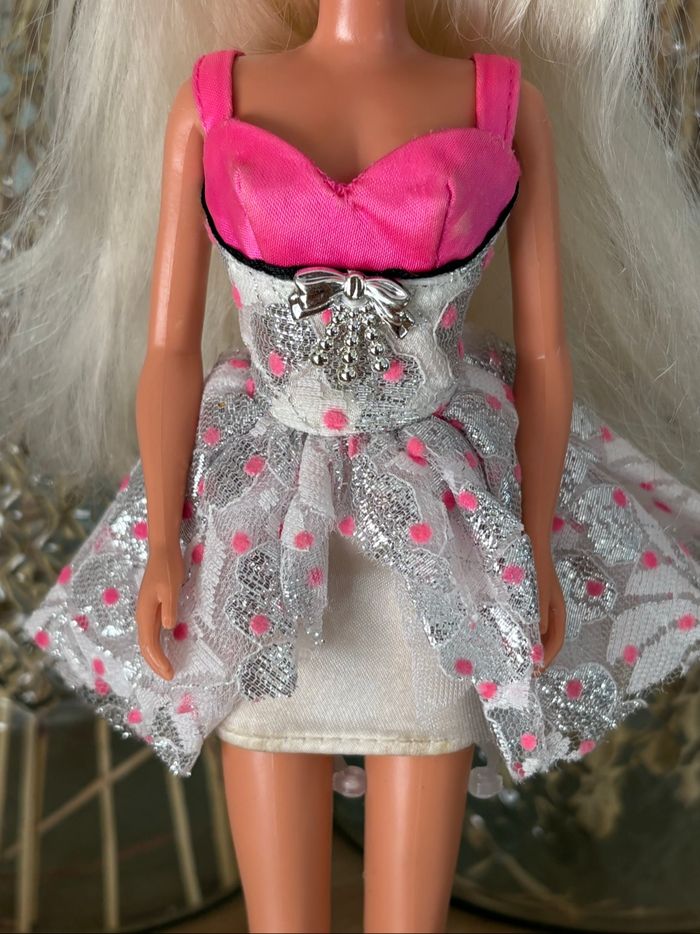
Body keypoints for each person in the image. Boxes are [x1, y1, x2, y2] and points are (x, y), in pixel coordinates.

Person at [2, 2, 699, 931]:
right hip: (263, 518)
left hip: (433, 529)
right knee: (280, 904)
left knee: (412, 902)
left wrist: (531, 540)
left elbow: (546, 355)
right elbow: (168, 350)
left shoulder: (502, 102)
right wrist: (166, 538)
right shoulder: (213, 100)